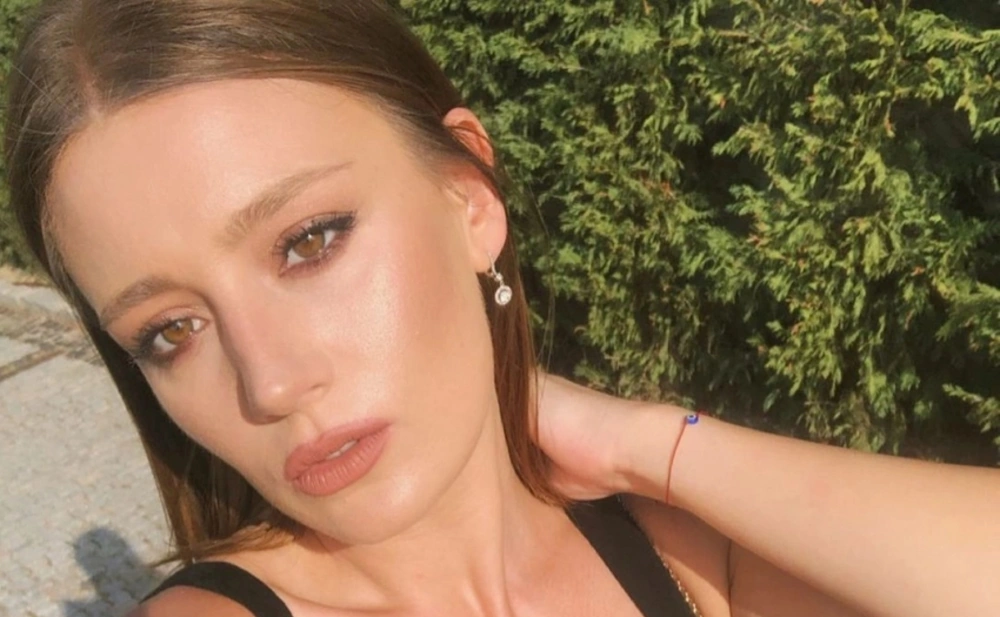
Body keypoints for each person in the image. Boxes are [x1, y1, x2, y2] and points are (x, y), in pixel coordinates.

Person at [4, 1, 997, 616]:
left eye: (308, 241)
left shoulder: (679, 552)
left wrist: (648, 444)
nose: (270, 382)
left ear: (469, 199)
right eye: (170, 331)